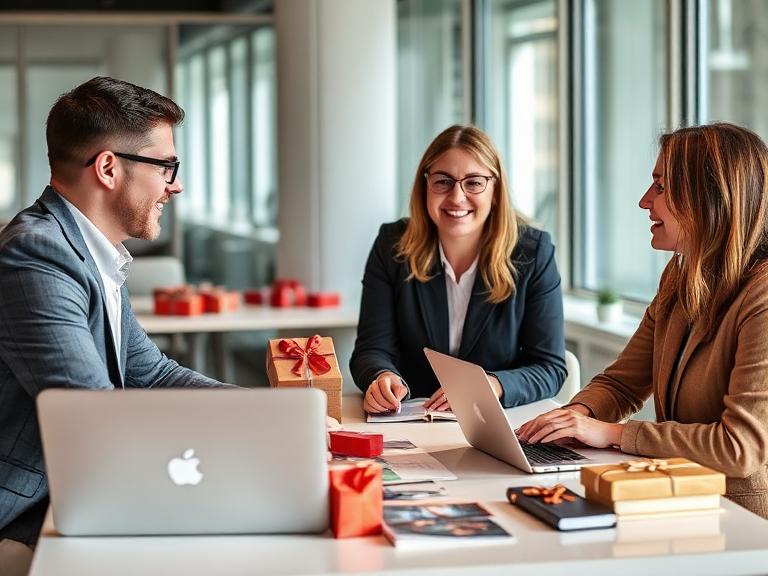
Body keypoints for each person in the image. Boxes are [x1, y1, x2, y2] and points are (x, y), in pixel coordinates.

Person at [0, 77, 229, 562]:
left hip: (74, 488)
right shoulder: (37, 254)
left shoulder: (89, 251)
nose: (175, 185)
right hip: (26, 510)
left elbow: (152, 373)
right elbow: (92, 411)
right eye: (166, 166)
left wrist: (272, 414)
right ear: (108, 167)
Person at [517, 122, 768, 519]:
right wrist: (576, 417)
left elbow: (739, 448)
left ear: (709, 197)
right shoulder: (680, 276)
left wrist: (613, 434)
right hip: (683, 500)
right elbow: (621, 383)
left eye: (661, 187)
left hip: (743, 520)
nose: (644, 201)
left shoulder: (762, 296)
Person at [350, 124, 566, 415]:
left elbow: (549, 367)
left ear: (495, 190)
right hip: (411, 418)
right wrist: (381, 376)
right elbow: (371, 349)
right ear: (425, 186)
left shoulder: (533, 252)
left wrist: (491, 386)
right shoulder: (392, 245)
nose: (457, 197)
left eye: (474, 182)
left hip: (493, 422)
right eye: (443, 181)